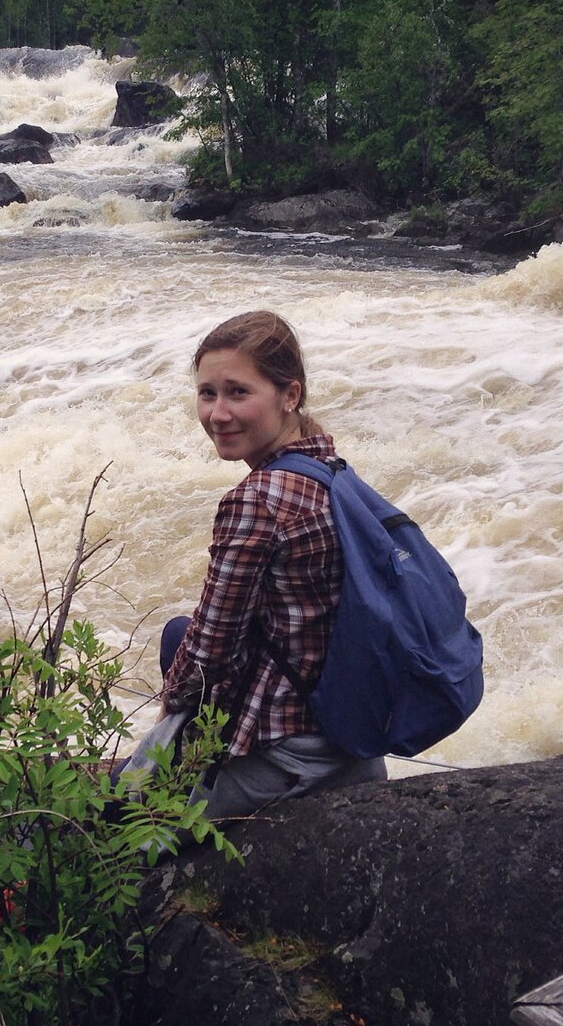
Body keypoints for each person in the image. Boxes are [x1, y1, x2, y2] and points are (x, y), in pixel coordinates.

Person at [137, 310, 387, 821]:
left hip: (294, 747)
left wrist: (168, 721)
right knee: (174, 633)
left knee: (105, 832)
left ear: (289, 395)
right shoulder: (328, 467)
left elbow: (210, 652)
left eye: (238, 392)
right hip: (345, 714)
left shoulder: (259, 499)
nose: (218, 414)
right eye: (207, 393)